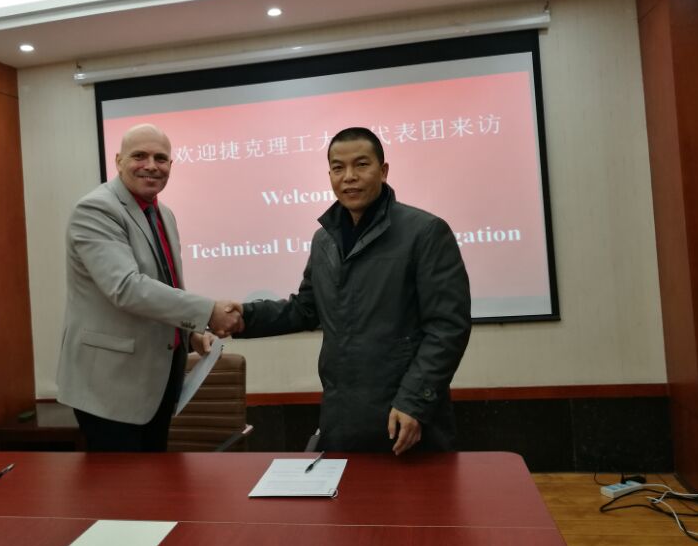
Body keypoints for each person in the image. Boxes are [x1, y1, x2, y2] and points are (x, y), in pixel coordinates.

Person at [235, 127, 471, 455]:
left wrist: (415, 402)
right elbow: (305, 309)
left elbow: (447, 328)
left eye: (361, 165)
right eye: (338, 168)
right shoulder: (325, 240)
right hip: (342, 418)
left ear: (383, 171)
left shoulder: (425, 232)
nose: (349, 177)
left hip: (405, 417)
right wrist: (241, 317)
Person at [56, 123, 242, 452]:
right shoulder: (96, 209)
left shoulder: (163, 213)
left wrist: (190, 333)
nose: (151, 166)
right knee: (122, 483)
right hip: (110, 387)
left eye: (161, 158)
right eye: (139, 156)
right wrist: (207, 312)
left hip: (157, 383)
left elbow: (164, 285)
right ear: (118, 161)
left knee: (153, 478)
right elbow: (126, 288)